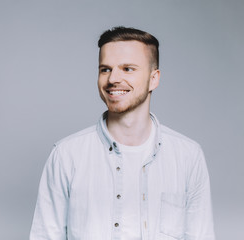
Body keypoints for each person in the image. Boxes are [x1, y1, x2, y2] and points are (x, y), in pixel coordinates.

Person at [29, 26, 215, 240]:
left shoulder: (188, 156)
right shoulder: (66, 155)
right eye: (105, 69)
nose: (112, 79)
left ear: (153, 79)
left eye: (128, 69)